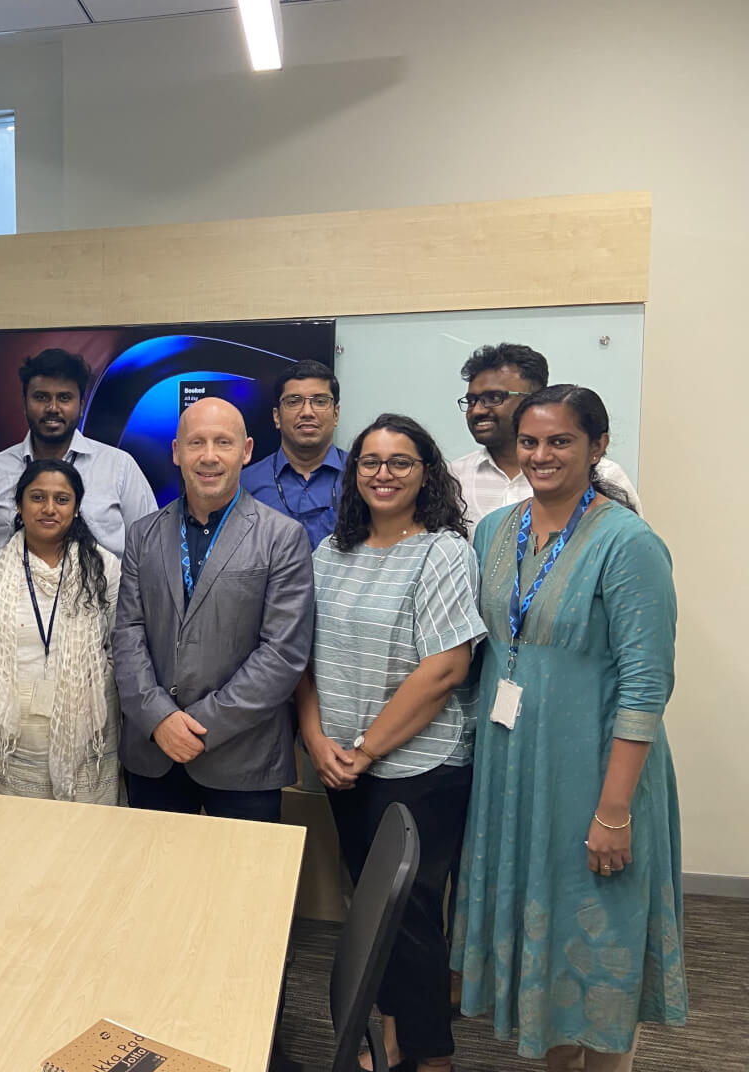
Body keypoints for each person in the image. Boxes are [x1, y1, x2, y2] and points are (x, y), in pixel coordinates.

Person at [452, 386, 685, 1070]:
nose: (541, 455)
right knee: (543, 938)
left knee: (600, 930)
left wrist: (614, 810)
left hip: (596, 771)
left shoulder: (629, 543)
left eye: (561, 441)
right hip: (515, 767)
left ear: (597, 447)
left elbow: (647, 685)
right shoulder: (496, 531)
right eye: (530, 442)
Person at [297, 413, 486, 1072]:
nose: (383, 473)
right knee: (369, 911)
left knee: (410, 918)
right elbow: (303, 657)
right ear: (354, 473)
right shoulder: (330, 553)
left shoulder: (443, 552)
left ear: (426, 473)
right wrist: (315, 738)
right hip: (340, 764)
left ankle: (430, 1056)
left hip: (418, 768)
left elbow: (446, 669)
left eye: (400, 461)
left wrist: (367, 750)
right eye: (370, 461)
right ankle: (390, 1035)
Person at [113, 397, 314, 821]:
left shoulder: (283, 538)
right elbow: (128, 634)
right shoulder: (143, 535)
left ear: (246, 450)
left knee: (246, 868)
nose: (209, 456)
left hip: (244, 758)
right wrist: (159, 718)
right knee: (152, 864)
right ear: (176, 452)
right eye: (196, 443)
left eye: (223, 442)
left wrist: (200, 726)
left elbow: (282, 654)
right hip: (154, 751)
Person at [0, 459, 123, 804]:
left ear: (76, 508)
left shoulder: (105, 568)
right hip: (8, 754)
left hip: (90, 751)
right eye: (37, 497)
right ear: (19, 505)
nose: (49, 508)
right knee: (15, 835)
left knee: (88, 835)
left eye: (62, 499)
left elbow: (121, 650)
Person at [0, 348, 156, 557]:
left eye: (64, 398)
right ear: (24, 403)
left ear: (81, 405)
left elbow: (151, 549)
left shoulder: (119, 467)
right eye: (41, 397)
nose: (53, 408)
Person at [448, 344, 639, 535]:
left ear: (536, 398)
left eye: (494, 397)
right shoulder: (454, 477)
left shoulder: (604, 473)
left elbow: (628, 542)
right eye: (471, 401)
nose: (478, 410)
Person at [241, 359, 347, 549]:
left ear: (336, 414)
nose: (307, 412)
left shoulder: (363, 478)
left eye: (320, 401)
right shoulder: (245, 484)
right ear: (277, 417)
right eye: (293, 402)